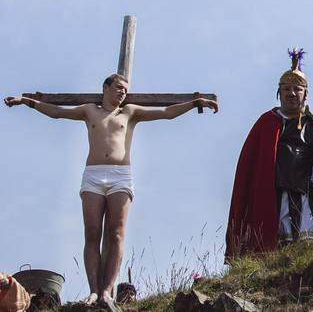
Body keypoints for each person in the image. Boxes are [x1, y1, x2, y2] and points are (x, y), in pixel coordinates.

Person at [5, 76, 217, 307]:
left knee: (116, 233)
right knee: (93, 232)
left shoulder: (130, 113)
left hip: (120, 175)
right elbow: (57, 112)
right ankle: (94, 290)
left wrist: (196, 103)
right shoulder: (89, 111)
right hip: (94, 175)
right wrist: (27, 101)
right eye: (118, 88)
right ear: (106, 88)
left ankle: (107, 291)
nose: (123, 93)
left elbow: (166, 111)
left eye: (126, 90)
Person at [225, 49, 313, 260]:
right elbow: (251, 167)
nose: (291, 93)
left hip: (307, 193)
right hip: (274, 195)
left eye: (297, 89)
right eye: (286, 89)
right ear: (279, 93)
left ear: (306, 93)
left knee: (308, 242)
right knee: (275, 245)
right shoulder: (265, 124)